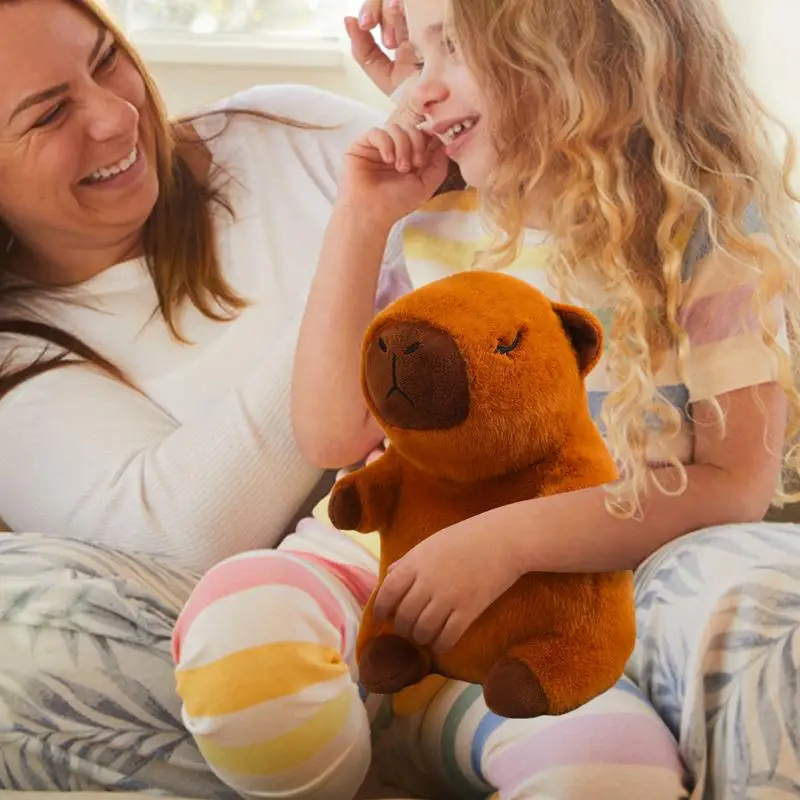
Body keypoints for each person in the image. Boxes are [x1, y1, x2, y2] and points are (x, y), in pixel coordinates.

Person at [175, 0, 800, 799]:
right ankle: (362, 757)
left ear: (580, 48)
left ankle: (427, 726)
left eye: (454, 49)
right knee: (238, 632)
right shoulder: (437, 212)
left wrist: (505, 542)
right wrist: (362, 217)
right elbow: (334, 434)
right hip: (385, 561)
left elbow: (736, 483)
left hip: (549, 624)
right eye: (418, 59)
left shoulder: (706, 232)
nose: (420, 90)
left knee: (606, 776)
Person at [0, 0, 442, 795]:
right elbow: (188, 539)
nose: (113, 114)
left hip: (495, 538)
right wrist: (361, 238)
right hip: (298, 666)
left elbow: (511, 237)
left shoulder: (278, 133)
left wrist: (452, 77)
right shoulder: (16, 358)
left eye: (106, 59)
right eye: (48, 114)